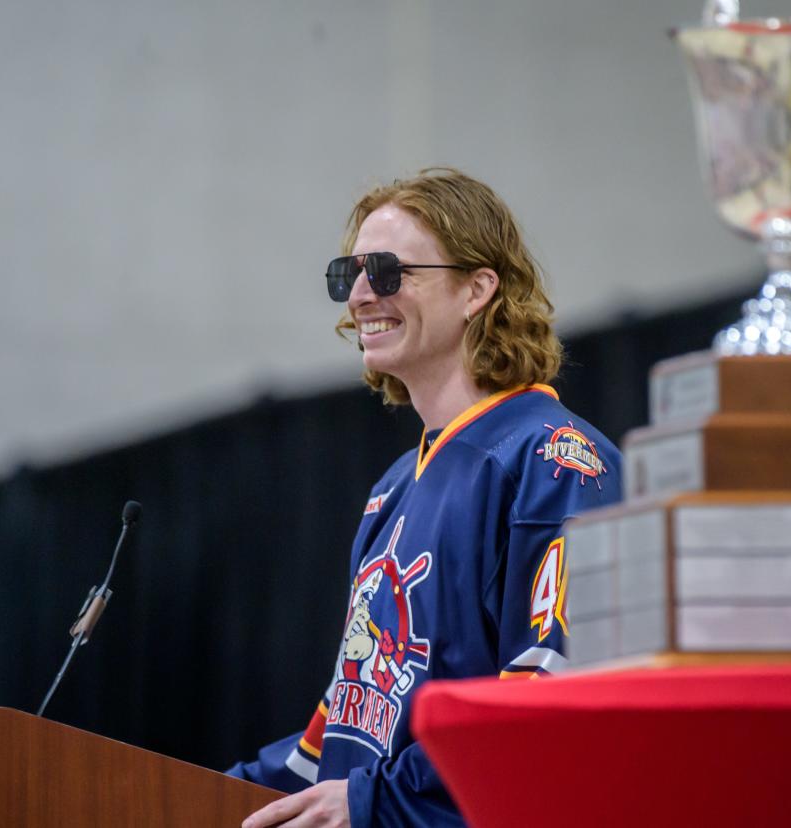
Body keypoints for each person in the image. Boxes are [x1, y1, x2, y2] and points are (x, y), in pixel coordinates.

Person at [230, 168, 622, 827]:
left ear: (477, 288)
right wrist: (164, 793)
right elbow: (343, 730)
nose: (358, 295)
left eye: (386, 271)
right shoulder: (393, 487)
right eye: (346, 274)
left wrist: (377, 801)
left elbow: (560, 688)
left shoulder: (554, 461)